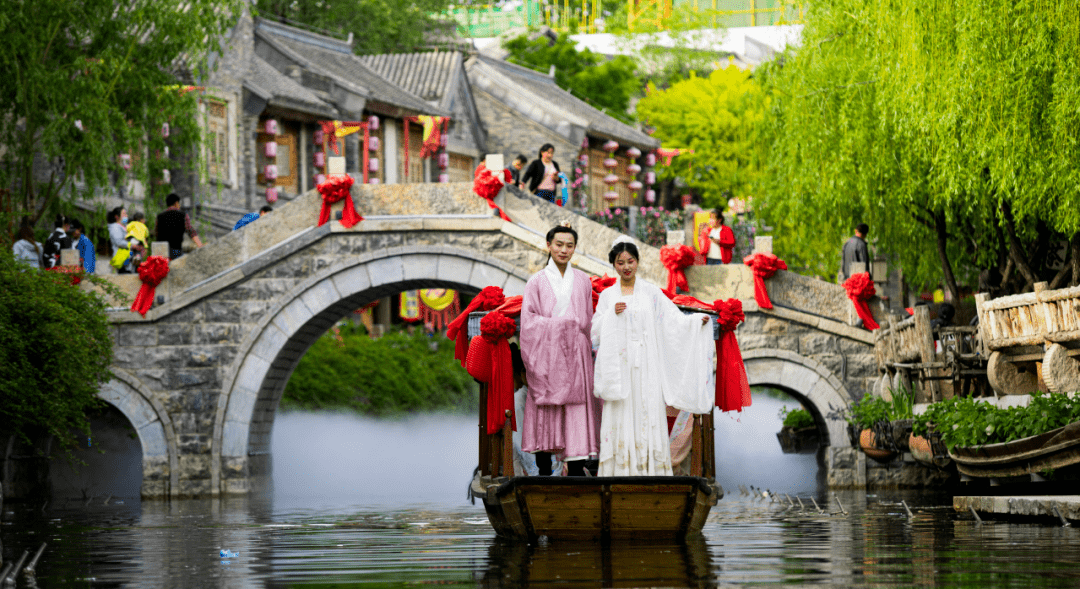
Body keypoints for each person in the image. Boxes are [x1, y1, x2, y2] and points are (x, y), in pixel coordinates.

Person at [591, 236, 715, 477]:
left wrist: (693, 323)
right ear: (613, 265)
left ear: (637, 262)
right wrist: (610, 316)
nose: (626, 267)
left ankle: (651, 470)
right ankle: (621, 469)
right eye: (620, 262)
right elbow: (594, 334)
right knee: (622, 411)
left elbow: (672, 320)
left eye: (630, 261)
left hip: (647, 365)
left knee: (647, 410)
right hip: (620, 367)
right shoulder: (608, 296)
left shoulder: (651, 293)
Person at [519, 224, 599, 476]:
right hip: (547, 352)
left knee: (576, 407)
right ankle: (544, 467)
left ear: (575, 248)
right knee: (547, 405)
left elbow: (588, 321)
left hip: (576, 350)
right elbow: (528, 322)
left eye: (569, 245)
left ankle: (576, 466)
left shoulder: (583, 280)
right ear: (549, 245)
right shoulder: (536, 282)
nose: (564, 250)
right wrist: (559, 327)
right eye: (559, 244)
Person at [156, 193, 203, 260]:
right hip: (175, 250)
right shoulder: (183, 215)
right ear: (176, 203)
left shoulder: (159, 216)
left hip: (160, 250)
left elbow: (156, 233)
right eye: (179, 203)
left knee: (162, 268)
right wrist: (200, 245)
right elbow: (190, 231)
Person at [107, 208, 132, 274]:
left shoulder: (124, 227)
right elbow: (118, 242)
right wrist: (131, 244)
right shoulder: (115, 227)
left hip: (127, 259)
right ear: (117, 216)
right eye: (124, 214)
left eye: (126, 214)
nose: (126, 216)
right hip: (120, 259)